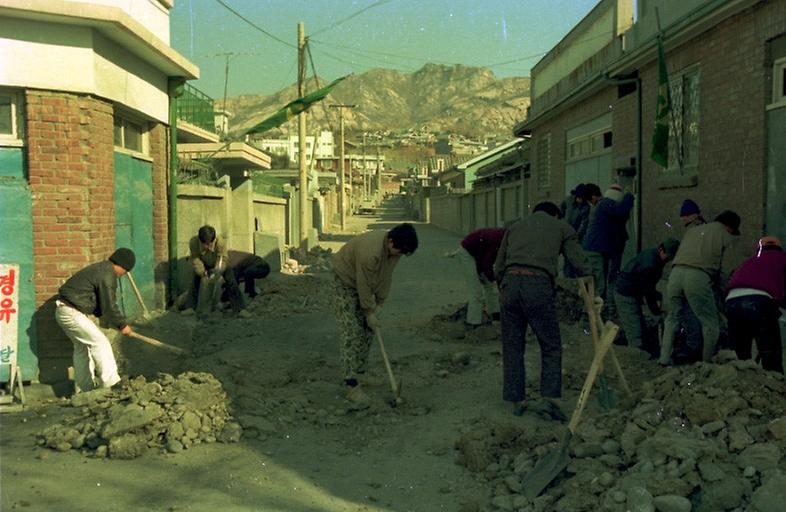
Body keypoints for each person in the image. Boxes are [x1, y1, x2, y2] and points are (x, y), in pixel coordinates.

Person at [493, 202, 587, 416]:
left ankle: (517, 400)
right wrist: (592, 283)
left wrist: (504, 285)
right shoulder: (561, 226)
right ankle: (549, 399)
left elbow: (499, 265)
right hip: (538, 285)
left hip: (510, 285)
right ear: (555, 214)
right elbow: (579, 260)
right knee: (550, 344)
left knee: (513, 345)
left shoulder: (515, 226)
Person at [331, 223, 418, 402]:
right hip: (345, 280)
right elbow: (364, 285)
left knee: (369, 329)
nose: (400, 255)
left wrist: (380, 304)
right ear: (391, 242)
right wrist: (369, 311)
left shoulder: (395, 249)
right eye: (400, 251)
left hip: (362, 280)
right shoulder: (370, 253)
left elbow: (386, 276)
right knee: (352, 331)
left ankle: (361, 371)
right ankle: (351, 384)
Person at [659, 211, 744, 365]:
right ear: (729, 227)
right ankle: (706, 363)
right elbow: (724, 270)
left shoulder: (694, 230)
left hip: (675, 274)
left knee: (672, 318)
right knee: (710, 323)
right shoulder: (725, 235)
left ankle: (664, 358)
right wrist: (724, 292)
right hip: (698, 276)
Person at [55, 248, 135, 392]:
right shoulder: (108, 273)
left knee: (82, 347)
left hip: (64, 310)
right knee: (100, 342)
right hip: (71, 311)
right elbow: (109, 305)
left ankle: (85, 388)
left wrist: (108, 320)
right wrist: (122, 325)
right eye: (125, 271)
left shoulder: (101, 269)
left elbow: (99, 303)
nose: (123, 275)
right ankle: (112, 383)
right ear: (122, 266)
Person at [724, 236, 786, 373]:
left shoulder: (749, 262)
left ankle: (740, 387)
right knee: (770, 352)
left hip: (731, 302)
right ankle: (774, 386)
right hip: (759, 302)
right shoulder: (782, 258)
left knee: (740, 354)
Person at [614, 238, 680, 356]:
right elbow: (648, 292)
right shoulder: (650, 263)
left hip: (632, 292)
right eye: (668, 256)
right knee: (635, 333)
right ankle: (635, 359)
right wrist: (656, 312)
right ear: (661, 249)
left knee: (641, 328)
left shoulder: (653, 257)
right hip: (625, 294)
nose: (668, 260)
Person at [582, 183, 634, 319]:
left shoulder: (603, 206)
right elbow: (622, 211)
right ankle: (593, 318)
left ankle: (599, 315)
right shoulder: (605, 204)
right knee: (600, 285)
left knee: (602, 283)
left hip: (599, 249)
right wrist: (629, 195)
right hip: (598, 250)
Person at [188, 225, 244, 314]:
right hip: (203, 263)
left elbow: (222, 259)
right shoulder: (193, 243)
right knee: (195, 280)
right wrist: (202, 273)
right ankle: (190, 307)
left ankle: (239, 308)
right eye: (205, 244)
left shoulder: (220, 242)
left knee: (231, 280)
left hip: (218, 263)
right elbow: (195, 259)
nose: (208, 246)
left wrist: (217, 272)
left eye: (210, 244)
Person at [457, 228, 505, 327]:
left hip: (480, 254)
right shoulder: (498, 239)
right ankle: (473, 323)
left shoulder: (507, 239)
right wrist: (489, 275)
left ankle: (495, 315)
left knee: (489, 285)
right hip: (467, 252)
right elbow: (487, 262)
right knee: (476, 290)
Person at [561, 184, 590, 277]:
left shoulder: (585, 207)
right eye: (579, 197)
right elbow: (561, 208)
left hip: (575, 236)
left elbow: (583, 224)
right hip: (565, 232)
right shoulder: (568, 200)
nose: (580, 200)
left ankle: (574, 280)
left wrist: (576, 236)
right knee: (567, 260)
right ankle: (567, 279)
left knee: (575, 259)